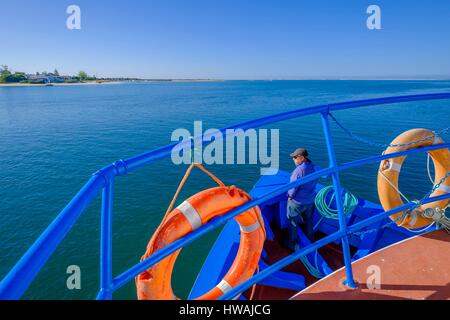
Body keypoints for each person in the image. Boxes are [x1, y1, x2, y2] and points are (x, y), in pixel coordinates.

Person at [286, 148, 318, 250]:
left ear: (301, 158)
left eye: (295, 157)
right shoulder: (315, 167)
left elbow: (292, 189)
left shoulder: (298, 171)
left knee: (292, 222)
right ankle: (310, 240)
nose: (293, 160)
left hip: (297, 203)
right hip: (310, 200)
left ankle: (291, 244)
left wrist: (290, 197)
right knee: (308, 220)